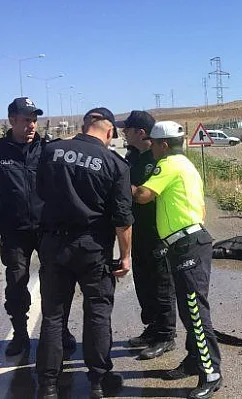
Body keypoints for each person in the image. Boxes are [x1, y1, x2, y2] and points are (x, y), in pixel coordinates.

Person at [35, 107, 133, 399]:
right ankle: (99, 382)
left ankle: (48, 386)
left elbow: (39, 194)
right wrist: (125, 255)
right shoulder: (115, 164)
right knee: (97, 315)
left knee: (53, 316)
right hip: (93, 250)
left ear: (84, 125)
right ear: (109, 131)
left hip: (54, 245)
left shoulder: (51, 152)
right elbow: (123, 218)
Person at [132, 121, 222, 399]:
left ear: (162, 144)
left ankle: (212, 372)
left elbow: (144, 196)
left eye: (153, 145)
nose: (151, 149)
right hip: (186, 243)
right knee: (188, 309)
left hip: (188, 244)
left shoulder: (169, 164)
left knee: (195, 312)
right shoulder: (184, 163)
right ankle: (195, 361)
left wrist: (121, 182)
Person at [0, 97, 76, 357]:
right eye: (26, 120)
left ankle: (60, 331)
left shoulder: (48, 150)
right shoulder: (1, 152)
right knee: (16, 284)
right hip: (14, 233)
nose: (31, 125)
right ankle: (20, 335)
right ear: (11, 120)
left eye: (34, 120)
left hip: (48, 229)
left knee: (56, 283)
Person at [117, 111, 176, 360]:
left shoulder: (158, 159)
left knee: (162, 285)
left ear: (141, 133)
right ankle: (153, 328)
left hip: (158, 232)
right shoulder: (134, 157)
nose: (123, 133)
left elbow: (144, 194)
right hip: (138, 230)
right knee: (144, 283)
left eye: (127, 130)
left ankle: (166, 335)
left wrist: (121, 187)